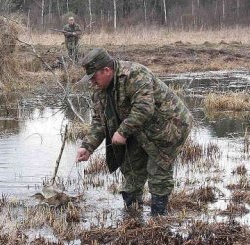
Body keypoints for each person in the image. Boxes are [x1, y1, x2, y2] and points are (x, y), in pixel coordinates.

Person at [75, 48, 193, 216]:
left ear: (107, 70)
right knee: (131, 168)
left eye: (93, 77)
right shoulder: (99, 90)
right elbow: (99, 122)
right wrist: (88, 147)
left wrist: (122, 132)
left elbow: (144, 108)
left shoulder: (135, 74)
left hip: (169, 126)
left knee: (158, 172)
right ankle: (133, 216)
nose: (91, 82)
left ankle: (158, 220)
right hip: (139, 128)